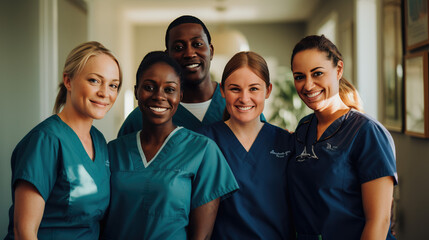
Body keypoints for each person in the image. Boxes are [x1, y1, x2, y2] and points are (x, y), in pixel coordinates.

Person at [100, 51, 238, 240]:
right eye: (149, 87)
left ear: (180, 95)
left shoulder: (203, 151)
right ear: (136, 92)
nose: (159, 96)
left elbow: (202, 236)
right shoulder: (113, 150)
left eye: (169, 89)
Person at [4, 41, 122, 240]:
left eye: (113, 85)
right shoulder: (45, 141)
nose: (105, 93)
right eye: (94, 80)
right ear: (68, 81)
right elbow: (24, 231)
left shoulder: (99, 142)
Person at [289, 35, 397, 240]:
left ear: (338, 70)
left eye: (317, 73)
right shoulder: (303, 129)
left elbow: (379, 221)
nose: (308, 85)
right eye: (299, 76)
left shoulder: (367, 132)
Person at [197, 51, 294, 239]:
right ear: (223, 91)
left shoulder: (287, 143)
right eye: (235, 89)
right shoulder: (203, 142)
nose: (244, 98)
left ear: (268, 90)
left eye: (254, 89)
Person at [117, 15, 264, 136]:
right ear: (168, 55)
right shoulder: (143, 116)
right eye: (179, 47)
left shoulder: (241, 104)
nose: (189, 53)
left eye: (197, 44)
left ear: (211, 51)